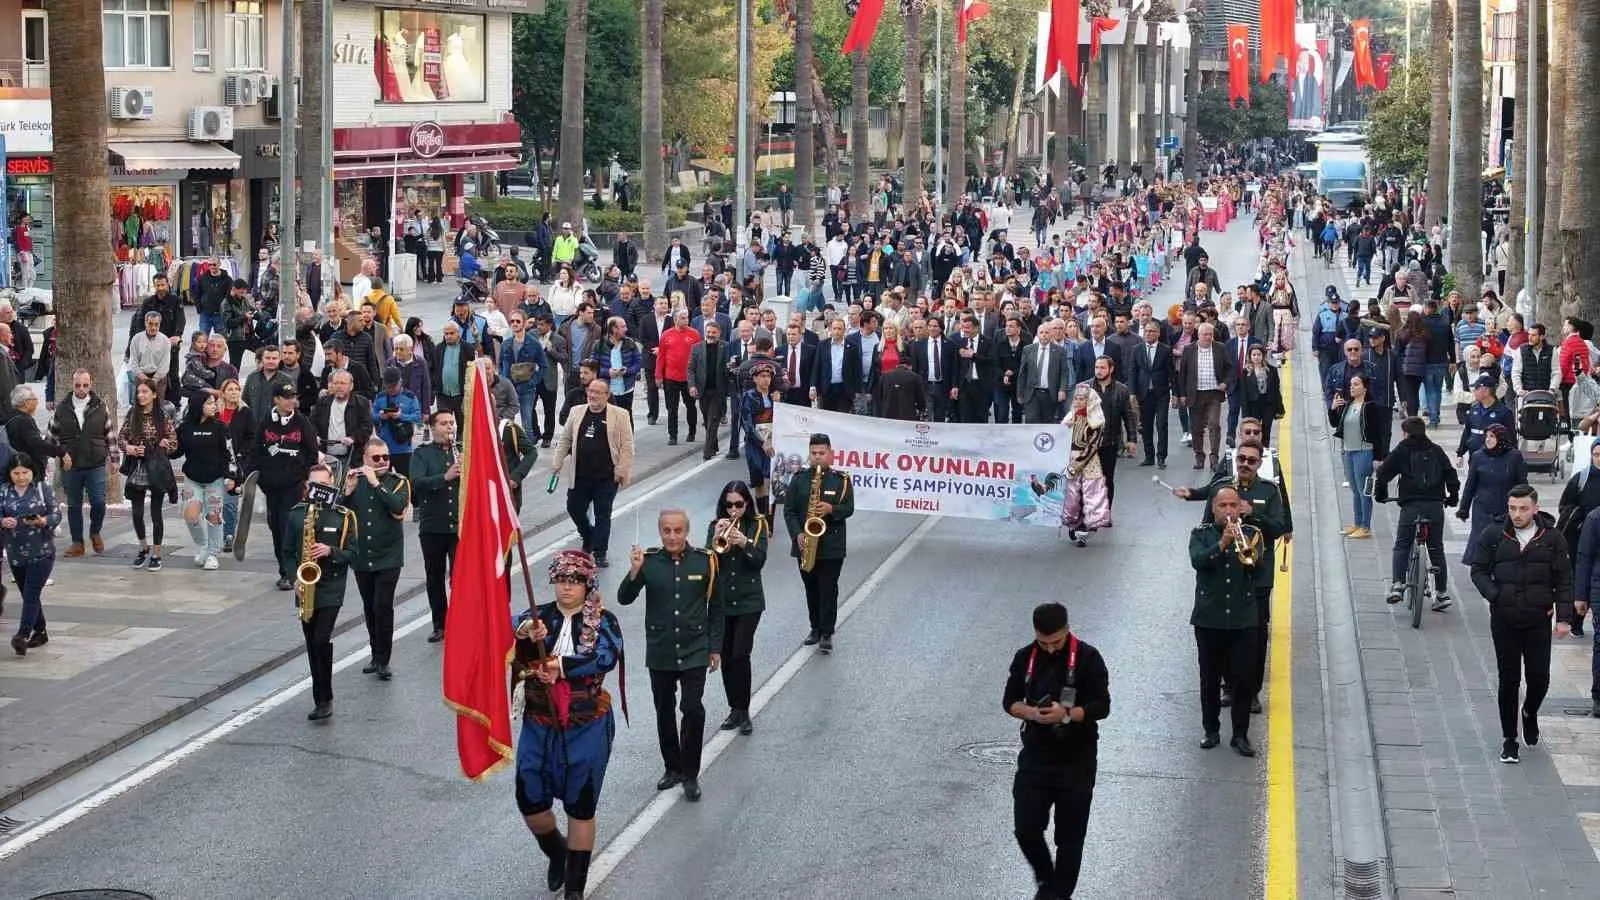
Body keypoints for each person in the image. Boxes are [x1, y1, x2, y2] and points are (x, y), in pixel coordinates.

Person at [513, 549, 625, 900]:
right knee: (529, 796)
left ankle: (574, 888)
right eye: (561, 580)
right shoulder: (537, 616)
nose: (566, 587)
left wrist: (561, 665)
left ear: (587, 583)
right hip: (539, 721)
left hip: (585, 723)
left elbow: (606, 654)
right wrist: (523, 633)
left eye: (574, 581)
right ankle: (557, 853)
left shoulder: (603, 620)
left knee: (580, 803)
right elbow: (505, 634)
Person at [1003, 601, 1109, 900]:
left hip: (1077, 759)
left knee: (1070, 838)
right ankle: (1048, 881)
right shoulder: (1025, 657)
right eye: (1043, 642)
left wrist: (1066, 714)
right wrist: (1033, 714)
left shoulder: (1088, 658)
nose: (1050, 648)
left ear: (1067, 630)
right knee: (1025, 827)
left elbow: (1102, 706)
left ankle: (1056, 894)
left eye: (1056, 642)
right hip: (1036, 756)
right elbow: (1009, 700)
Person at [619, 509, 723, 802]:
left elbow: (717, 607)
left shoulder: (706, 561)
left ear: (687, 531)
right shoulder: (649, 562)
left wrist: (715, 647)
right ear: (661, 532)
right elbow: (624, 598)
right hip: (662, 650)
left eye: (678, 530)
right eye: (667, 531)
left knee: (692, 709)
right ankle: (672, 767)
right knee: (664, 710)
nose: (673, 536)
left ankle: (690, 774)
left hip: (694, 650)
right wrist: (635, 571)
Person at [1470, 484, 1575, 764]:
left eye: (1523, 509)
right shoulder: (1494, 534)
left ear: (1535, 508)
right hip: (1504, 620)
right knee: (1509, 680)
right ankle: (1509, 740)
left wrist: (1565, 617)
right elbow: (1478, 570)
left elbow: (1564, 579)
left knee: (1539, 678)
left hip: (1538, 619)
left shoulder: (1552, 539)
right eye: (1512, 508)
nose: (1517, 514)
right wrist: (1494, 594)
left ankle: (1529, 712)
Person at [1189, 485, 1263, 756]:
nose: (1229, 511)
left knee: (1243, 679)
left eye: (1234, 505)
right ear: (1213, 509)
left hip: (1243, 620)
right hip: (1210, 619)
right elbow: (1198, 561)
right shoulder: (1201, 535)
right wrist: (1222, 544)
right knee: (1209, 678)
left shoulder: (1252, 534)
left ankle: (1240, 735)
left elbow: (1258, 569)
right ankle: (1211, 729)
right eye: (1224, 506)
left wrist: (1243, 547)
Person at [284, 464, 357, 721]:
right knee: (311, 643)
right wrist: (294, 578)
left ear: (330, 486)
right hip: (305, 586)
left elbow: (352, 553)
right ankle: (320, 695)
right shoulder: (296, 515)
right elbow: (288, 554)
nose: (317, 491)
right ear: (307, 486)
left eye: (322, 486)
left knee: (320, 640)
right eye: (313, 485)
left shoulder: (343, 516)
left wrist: (330, 551)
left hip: (331, 587)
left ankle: (324, 698)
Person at [1374, 416, 1460, 610]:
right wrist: (1452, 497)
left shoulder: (1402, 450)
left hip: (1411, 506)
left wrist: (1381, 494)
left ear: (1406, 433)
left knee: (1402, 544)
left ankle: (1397, 585)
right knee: (1436, 547)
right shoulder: (1436, 450)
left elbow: (1383, 473)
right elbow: (1451, 475)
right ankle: (1442, 593)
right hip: (1435, 506)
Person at [343, 437, 410, 680]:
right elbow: (339, 516)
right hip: (362, 555)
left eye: (385, 457)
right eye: (376, 458)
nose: (382, 462)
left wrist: (376, 484)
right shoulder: (355, 481)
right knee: (369, 607)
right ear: (365, 460)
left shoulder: (397, 482)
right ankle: (374, 653)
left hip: (388, 556)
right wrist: (347, 493)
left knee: (383, 606)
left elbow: (398, 508)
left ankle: (384, 659)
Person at [551, 379, 635, 568]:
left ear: (607, 396)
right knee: (574, 507)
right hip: (580, 475)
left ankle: (600, 552)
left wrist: (621, 470)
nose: (593, 395)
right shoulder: (577, 411)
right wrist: (557, 462)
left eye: (598, 392)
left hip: (606, 477)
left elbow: (627, 446)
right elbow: (565, 439)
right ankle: (588, 534)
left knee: (602, 514)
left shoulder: (620, 415)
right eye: (591, 391)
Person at [783, 433, 854, 652]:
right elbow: (789, 511)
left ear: (830, 454)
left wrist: (832, 509)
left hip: (832, 546)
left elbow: (849, 508)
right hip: (805, 544)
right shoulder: (799, 479)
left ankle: (826, 632)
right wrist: (797, 534)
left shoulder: (841, 481)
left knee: (828, 588)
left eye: (822, 453)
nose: (817, 457)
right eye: (814, 453)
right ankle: (814, 628)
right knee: (811, 588)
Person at [708, 481, 767, 735]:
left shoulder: (757, 525)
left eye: (739, 505)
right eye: (729, 504)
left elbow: (759, 561)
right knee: (726, 657)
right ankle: (734, 708)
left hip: (749, 601)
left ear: (747, 504)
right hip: (722, 602)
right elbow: (708, 561)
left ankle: (744, 710)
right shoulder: (716, 525)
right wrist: (715, 540)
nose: (733, 510)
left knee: (740, 654)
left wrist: (744, 543)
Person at [51, 369, 115, 557]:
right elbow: (51, 438)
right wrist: (62, 454)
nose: (81, 389)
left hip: (95, 461)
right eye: (78, 385)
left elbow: (109, 434)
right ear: (72, 385)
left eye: (85, 385)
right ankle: (77, 542)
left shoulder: (100, 406)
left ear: (91, 384)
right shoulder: (62, 408)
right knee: (74, 505)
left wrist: (114, 458)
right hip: (72, 465)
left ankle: (95, 531)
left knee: (98, 502)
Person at [2, 453, 60, 656]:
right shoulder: (4, 492)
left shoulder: (42, 489)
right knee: (28, 594)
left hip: (42, 550)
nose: (21, 477)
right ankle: (41, 631)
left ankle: (22, 634)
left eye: (25, 472)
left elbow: (56, 513)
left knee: (31, 592)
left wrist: (44, 521)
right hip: (16, 553)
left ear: (32, 472)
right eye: (16, 473)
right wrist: (3, 522)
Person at [411, 409, 461, 643]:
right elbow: (417, 483)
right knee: (435, 578)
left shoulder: (461, 451)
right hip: (432, 527)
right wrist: (445, 477)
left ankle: (461, 621)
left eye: (451, 423)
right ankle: (439, 623)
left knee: (459, 577)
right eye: (444, 423)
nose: (449, 427)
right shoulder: (422, 454)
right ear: (433, 428)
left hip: (458, 527)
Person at [119, 380, 179, 572]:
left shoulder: (162, 415)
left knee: (156, 513)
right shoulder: (132, 414)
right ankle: (143, 547)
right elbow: (121, 437)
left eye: (145, 392)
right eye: (139, 392)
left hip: (157, 467)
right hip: (137, 466)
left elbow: (174, 441)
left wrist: (165, 444)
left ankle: (157, 553)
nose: (141, 395)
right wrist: (129, 448)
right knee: (136, 514)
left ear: (154, 394)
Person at [175, 394, 236, 570]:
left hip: (215, 479)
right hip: (193, 477)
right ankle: (202, 545)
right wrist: (168, 446)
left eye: (214, 403)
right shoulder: (185, 427)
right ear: (198, 405)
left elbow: (229, 453)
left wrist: (231, 476)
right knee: (191, 514)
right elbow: (177, 452)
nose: (213, 406)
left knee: (213, 515)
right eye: (209, 403)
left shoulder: (220, 427)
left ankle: (212, 553)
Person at [1458, 425, 1528, 565]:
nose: (1488, 439)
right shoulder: (1478, 456)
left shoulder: (1514, 456)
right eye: (1487, 436)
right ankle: (1481, 569)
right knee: (1482, 540)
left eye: (1492, 436)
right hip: (1483, 508)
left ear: (1501, 438)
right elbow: (1470, 485)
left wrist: (1525, 507)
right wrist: (1463, 509)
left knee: (1503, 542)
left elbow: (1522, 483)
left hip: (1505, 507)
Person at [1177, 323, 1233, 471]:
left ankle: (1214, 458)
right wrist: (1181, 394)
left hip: (1214, 393)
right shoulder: (1189, 350)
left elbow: (1230, 368)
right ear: (1199, 335)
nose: (1208, 337)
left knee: (1214, 425)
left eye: (1210, 334)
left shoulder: (1220, 348)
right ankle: (1199, 457)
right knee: (1196, 428)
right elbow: (1182, 374)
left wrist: (1225, 383)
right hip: (1195, 394)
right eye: (1205, 334)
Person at [1331, 374, 1381, 538]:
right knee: (1354, 489)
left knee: (1363, 490)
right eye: (1351, 384)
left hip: (1363, 451)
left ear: (1365, 388)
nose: (1352, 387)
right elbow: (1335, 424)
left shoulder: (1370, 407)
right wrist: (1333, 409)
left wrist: (1378, 457)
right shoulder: (1349, 404)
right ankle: (1357, 523)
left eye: (1356, 384)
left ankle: (1365, 526)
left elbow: (1378, 433)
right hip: (1347, 451)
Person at [1061, 385, 1110, 547]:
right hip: (1070, 459)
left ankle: (1083, 531)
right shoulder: (1070, 417)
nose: (1078, 401)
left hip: (1088, 462)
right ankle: (1073, 524)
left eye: (1082, 399)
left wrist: (1077, 464)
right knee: (1072, 496)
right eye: (1076, 398)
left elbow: (1093, 446)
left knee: (1087, 497)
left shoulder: (1096, 421)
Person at [739, 363, 780, 517]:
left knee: (771, 482)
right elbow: (747, 424)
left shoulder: (775, 396)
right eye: (762, 376)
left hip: (773, 442)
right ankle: (762, 517)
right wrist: (762, 442)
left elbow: (785, 419)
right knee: (759, 483)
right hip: (755, 444)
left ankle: (769, 521)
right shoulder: (748, 396)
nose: (766, 380)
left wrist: (779, 403)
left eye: (768, 376)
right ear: (755, 379)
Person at [1239, 346, 1284, 446]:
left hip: (1268, 404)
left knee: (1266, 429)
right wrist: (1245, 413)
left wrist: (1279, 408)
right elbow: (1243, 394)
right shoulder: (1246, 372)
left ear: (1263, 356)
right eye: (1254, 355)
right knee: (1254, 430)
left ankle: (1265, 449)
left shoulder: (1271, 370)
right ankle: (1255, 450)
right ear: (1250, 357)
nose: (1256, 357)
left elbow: (1276, 390)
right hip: (1253, 405)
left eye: (1258, 354)